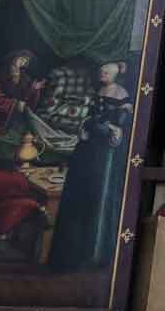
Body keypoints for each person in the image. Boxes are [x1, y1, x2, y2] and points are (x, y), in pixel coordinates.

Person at [50, 61, 134, 271]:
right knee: (78, 194)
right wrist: (85, 125)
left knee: (97, 196)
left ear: (114, 75)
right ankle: (70, 253)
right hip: (87, 148)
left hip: (104, 152)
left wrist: (108, 128)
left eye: (105, 73)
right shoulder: (96, 91)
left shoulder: (122, 94)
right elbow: (89, 116)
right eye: (101, 72)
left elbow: (120, 121)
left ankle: (92, 254)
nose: (101, 75)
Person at [0, 50, 43, 133]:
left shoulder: (24, 76)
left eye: (25, 61)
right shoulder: (1, 71)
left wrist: (34, 89)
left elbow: (24, 95)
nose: (22, 62)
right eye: (22, 59)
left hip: (15, 111)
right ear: (15, 57)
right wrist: (15, 104)